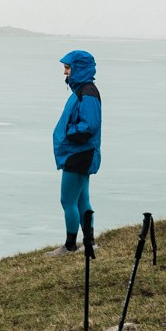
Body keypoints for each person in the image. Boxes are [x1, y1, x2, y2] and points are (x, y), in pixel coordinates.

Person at [51, 49, 103, 253]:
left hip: (79, 154)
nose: (65, 72)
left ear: (78, 68)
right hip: (79, 153)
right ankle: (88, 242)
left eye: (67, 67)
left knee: (68, 200)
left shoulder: (87, 92)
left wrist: (69, 132)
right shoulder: (82, 90)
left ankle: (70, 245)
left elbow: (90, 124)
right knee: (82, 199)